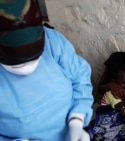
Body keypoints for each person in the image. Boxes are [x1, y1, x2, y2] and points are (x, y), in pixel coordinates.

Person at [0, 0, 93, 141]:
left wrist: (77, 117)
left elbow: (79, 76)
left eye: (36, 57)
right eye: (18, 61)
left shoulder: (53, 42)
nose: (28, 67)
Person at [88, 64, 125, 141]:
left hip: (117, 116)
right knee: (102, 129)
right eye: (124, 82)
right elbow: (120, 105)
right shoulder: (111, 94)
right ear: (115, 82)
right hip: (105, 115)